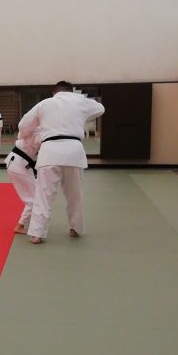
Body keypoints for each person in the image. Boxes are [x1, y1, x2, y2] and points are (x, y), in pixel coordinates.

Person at [17, 81, 105, 243]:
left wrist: (32, 130)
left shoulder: (45, 103)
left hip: (49, 151)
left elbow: (23, 125)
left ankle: (37, 234)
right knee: (75, 195)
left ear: (54, 93)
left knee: (44, 194)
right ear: (71, 91)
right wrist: (82, 114)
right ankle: (76, 228)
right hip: (74, 151)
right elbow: (100, 108)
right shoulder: (80, 101)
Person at [5, 131, 41, 235]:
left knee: (36, 194)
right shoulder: (38, 130)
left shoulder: (33, 128)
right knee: (34, 198)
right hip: (19, 164)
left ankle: (32, 221)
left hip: (17, 162)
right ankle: (20, 225)